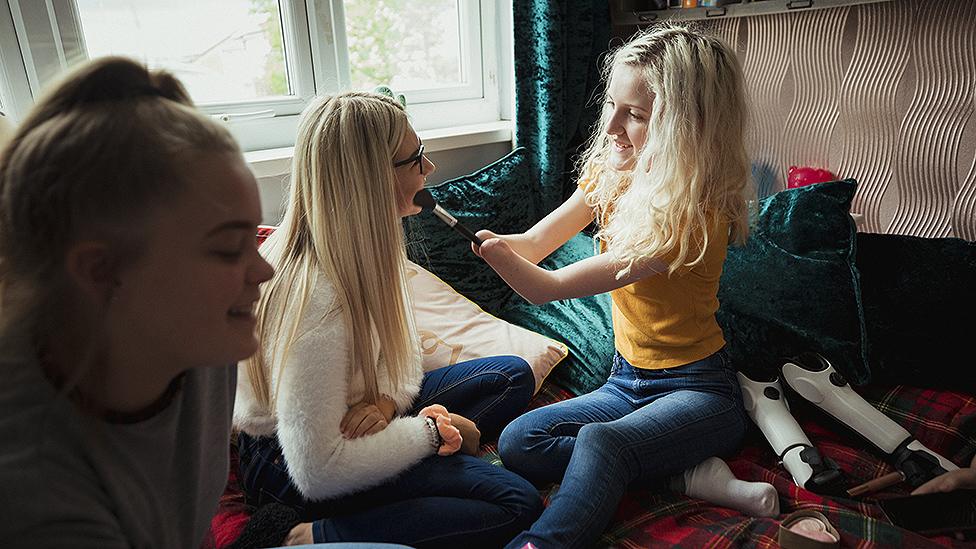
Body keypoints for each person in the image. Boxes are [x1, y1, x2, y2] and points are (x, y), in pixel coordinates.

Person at [473, 25, 777, 548]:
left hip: (697, 391)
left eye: (635, 114)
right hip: (624, 381)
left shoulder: (693, 214)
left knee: (601, 442)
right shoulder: (609, 175)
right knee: (521, 440)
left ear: (686, 127)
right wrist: (484, 236)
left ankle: (540, 543)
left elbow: (545, 287)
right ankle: (682, 474)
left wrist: (505, 259)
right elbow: (531, 244)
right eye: (612, 106)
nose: (611, 126)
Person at [234, 91, 542, 548]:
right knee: (517, 502)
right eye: (416, 158)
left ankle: (390, 476)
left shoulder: (364, 248)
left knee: (510, 374)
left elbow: (400, 355)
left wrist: (383, 404)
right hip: (292, 465)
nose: (430, 168)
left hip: (345, 417)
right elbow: (317, 471)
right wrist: (429, 431)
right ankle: (303, 535)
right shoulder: (320, 303)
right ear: (371, 178)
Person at [0, 57, 274, 548]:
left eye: (254, 239)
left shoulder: (200, 344)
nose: (264, 271)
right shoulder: (35, 493)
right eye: (228, 248)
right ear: (101, 271)